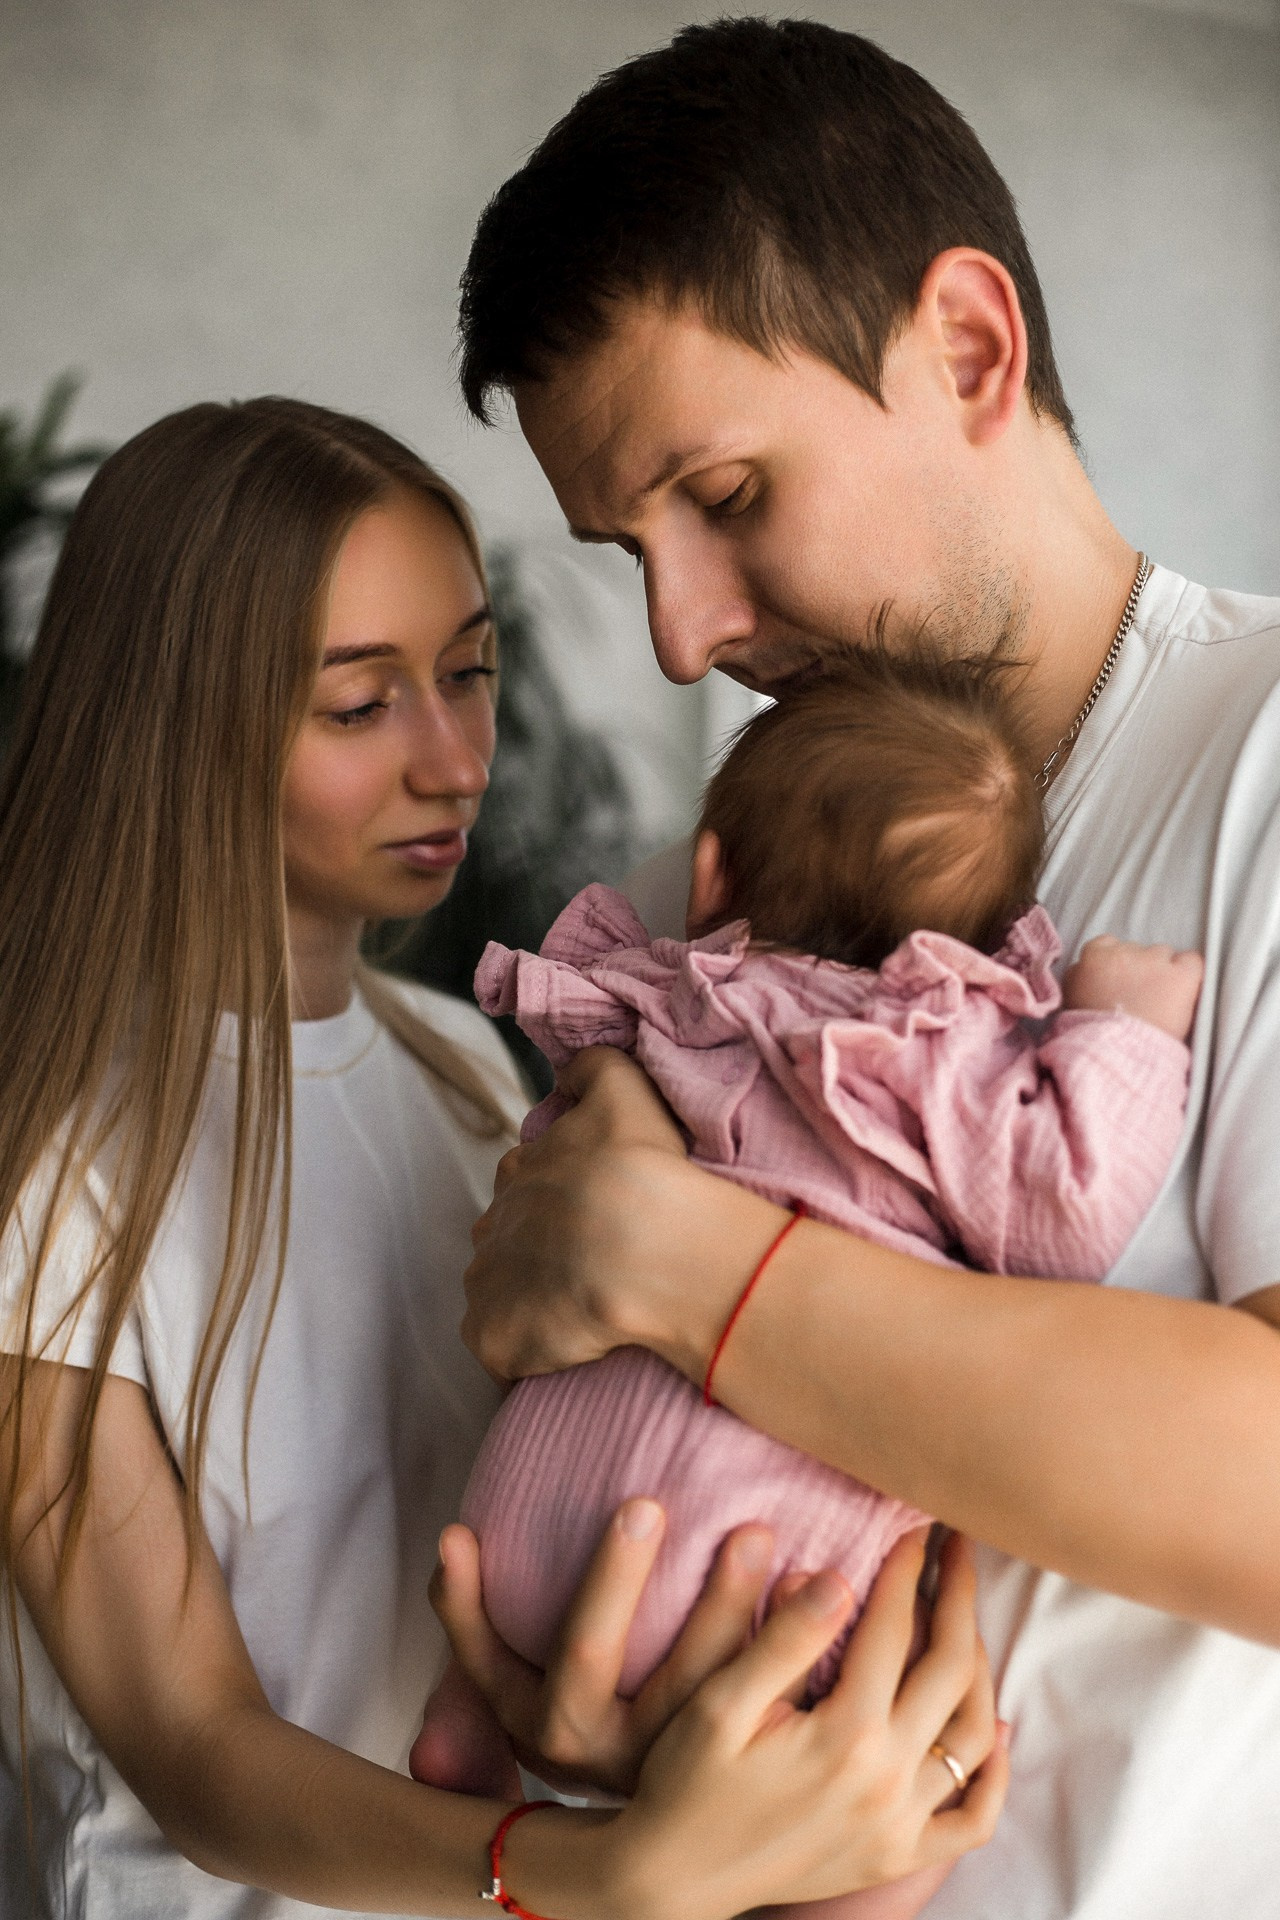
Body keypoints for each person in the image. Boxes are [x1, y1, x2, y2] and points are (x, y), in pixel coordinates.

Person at [442, 18, 1280, 1920]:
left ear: (969, 350)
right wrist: (611, 1730)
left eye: (724, 498)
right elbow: (527, 1346)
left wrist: (680, 1264)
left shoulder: (1264, 762)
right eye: (623, 550)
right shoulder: (685, 907)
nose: (676, 638)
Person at [0, 395, 1006, 1920]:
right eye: (360, 706)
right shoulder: (48, 1153)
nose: (456, 760)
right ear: (169, 716)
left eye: (470, 674)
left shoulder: (467, 1066)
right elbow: (195, 1753)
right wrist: (596, 1876)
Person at [418, 646, 1201, 1920]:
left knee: (521, 1478)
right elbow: (1063, 1208)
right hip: (759, 1574)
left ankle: (464, 1726)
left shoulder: (655, 1007)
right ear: (989, 942)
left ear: (711, 872)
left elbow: (543, 1201)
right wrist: (1123, 1029)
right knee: (909, 1819)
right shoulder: (934, 1058)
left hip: (515, 1530)